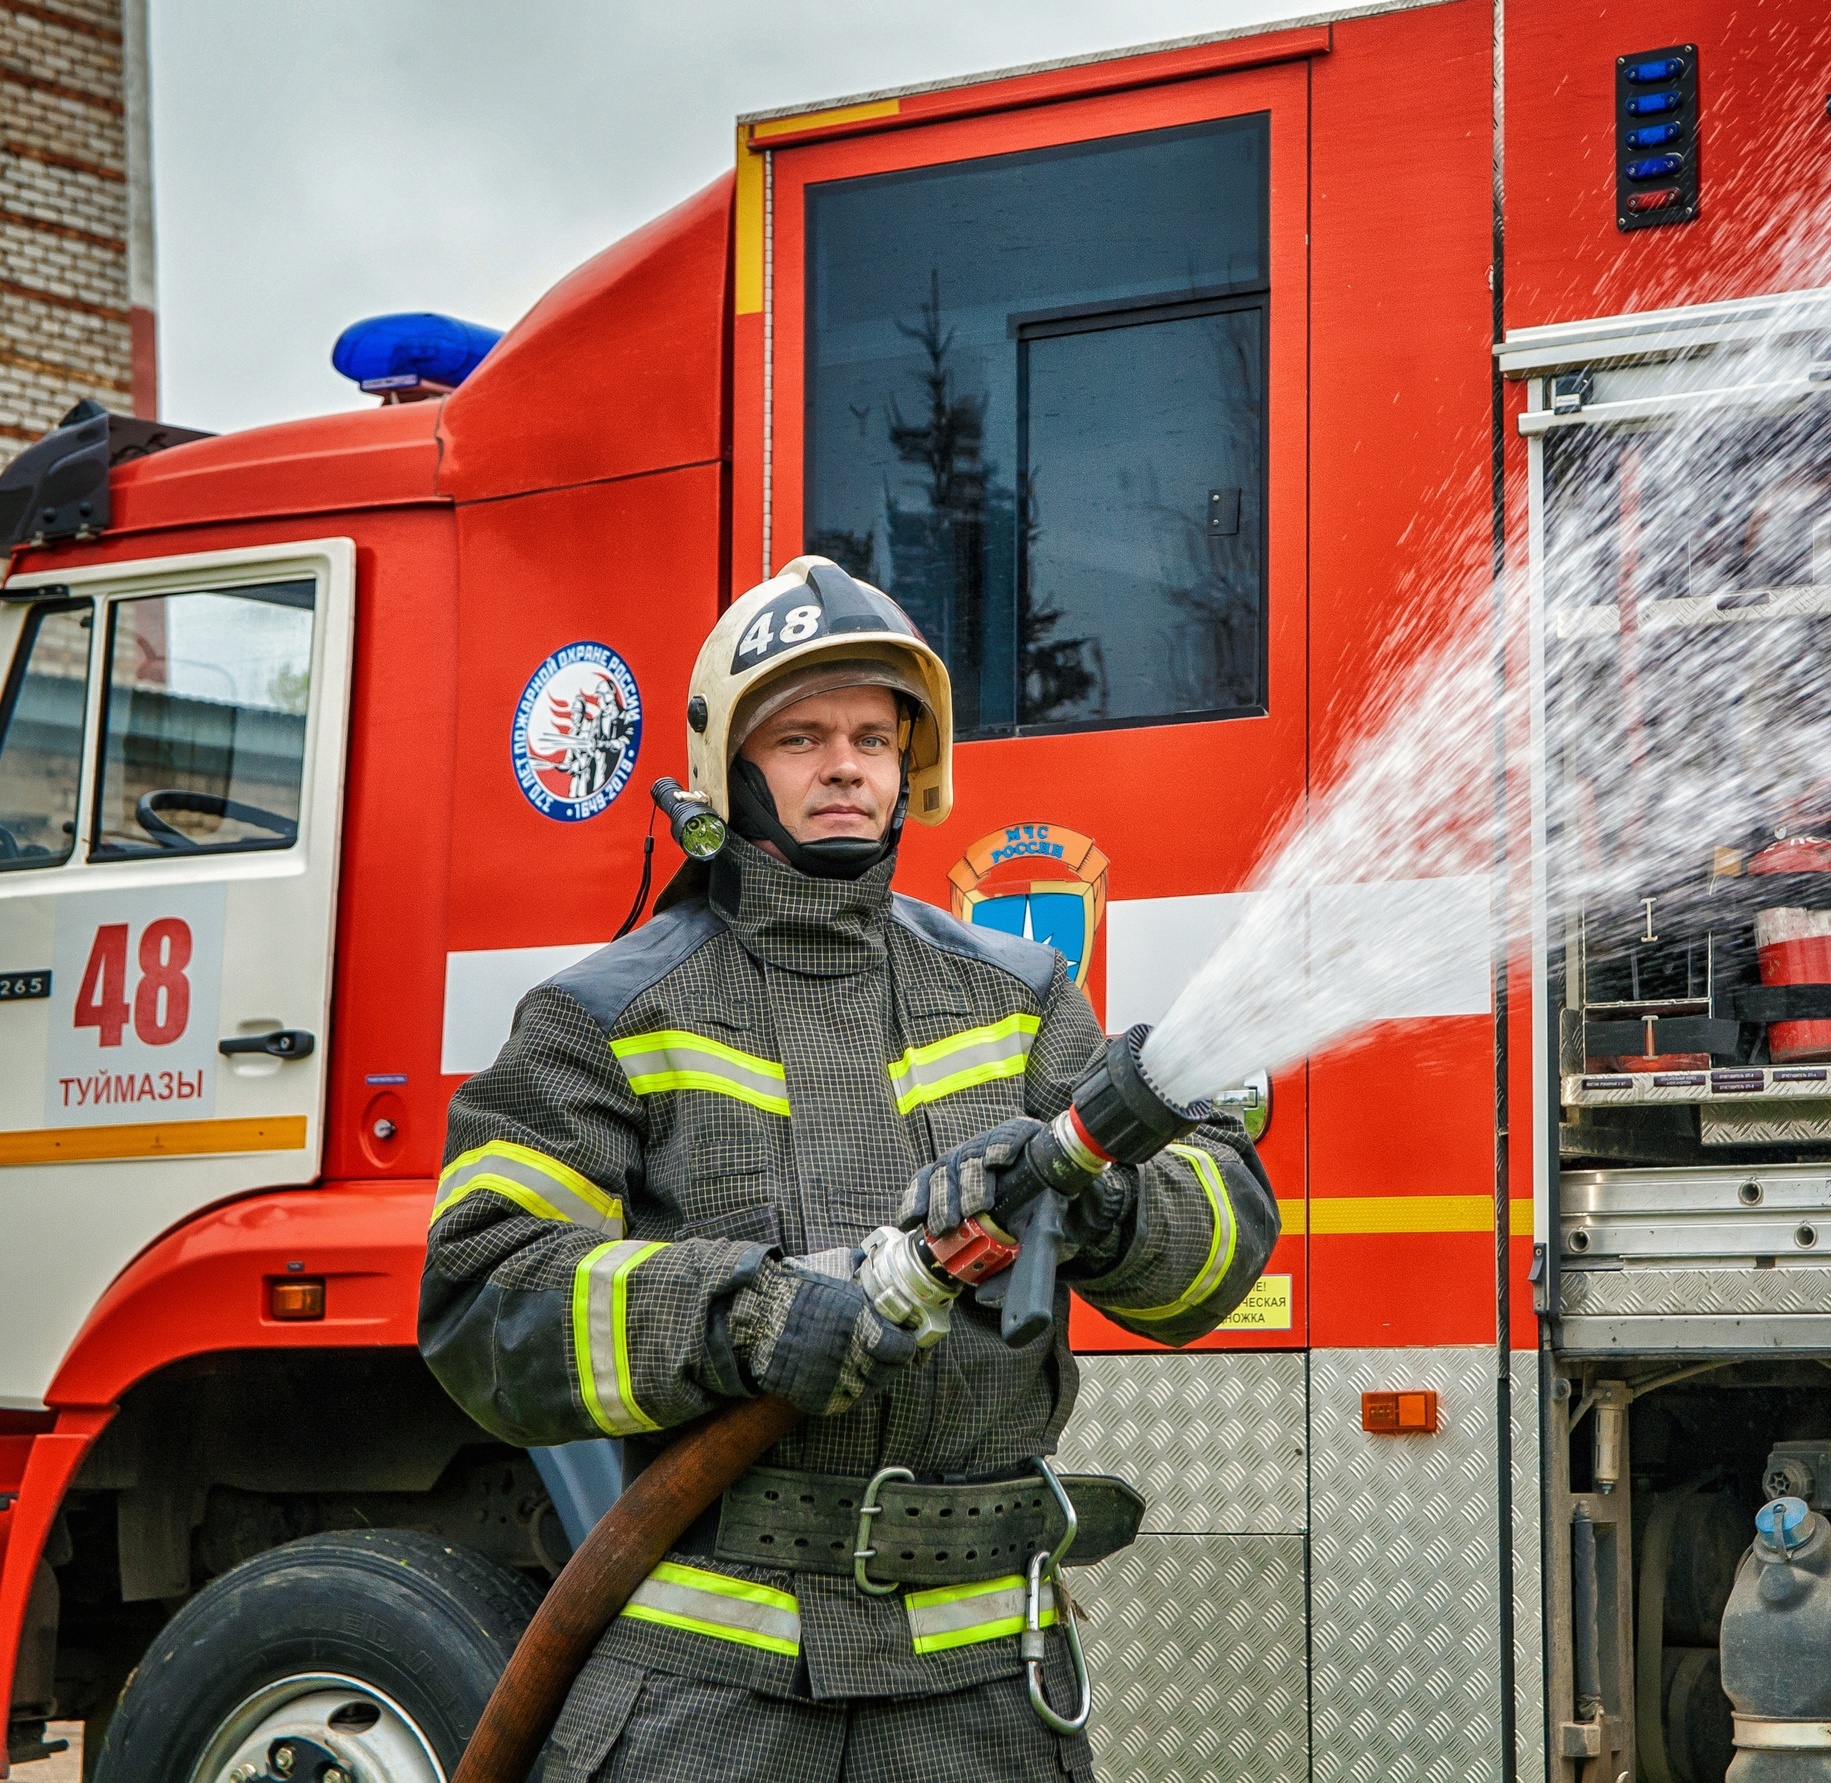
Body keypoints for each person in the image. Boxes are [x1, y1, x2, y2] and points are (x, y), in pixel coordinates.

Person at [421, 557, 1278, 1781]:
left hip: (981, 1700)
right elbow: (480, 1296)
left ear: (908, 768)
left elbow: (1210, 1267)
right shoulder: (601, 1016)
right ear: (732, 767)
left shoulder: (1018, 998)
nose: (845, 765)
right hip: (706, 1700)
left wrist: (1096, 1204)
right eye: (803, 734)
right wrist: (744, 1312)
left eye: (874, 736)